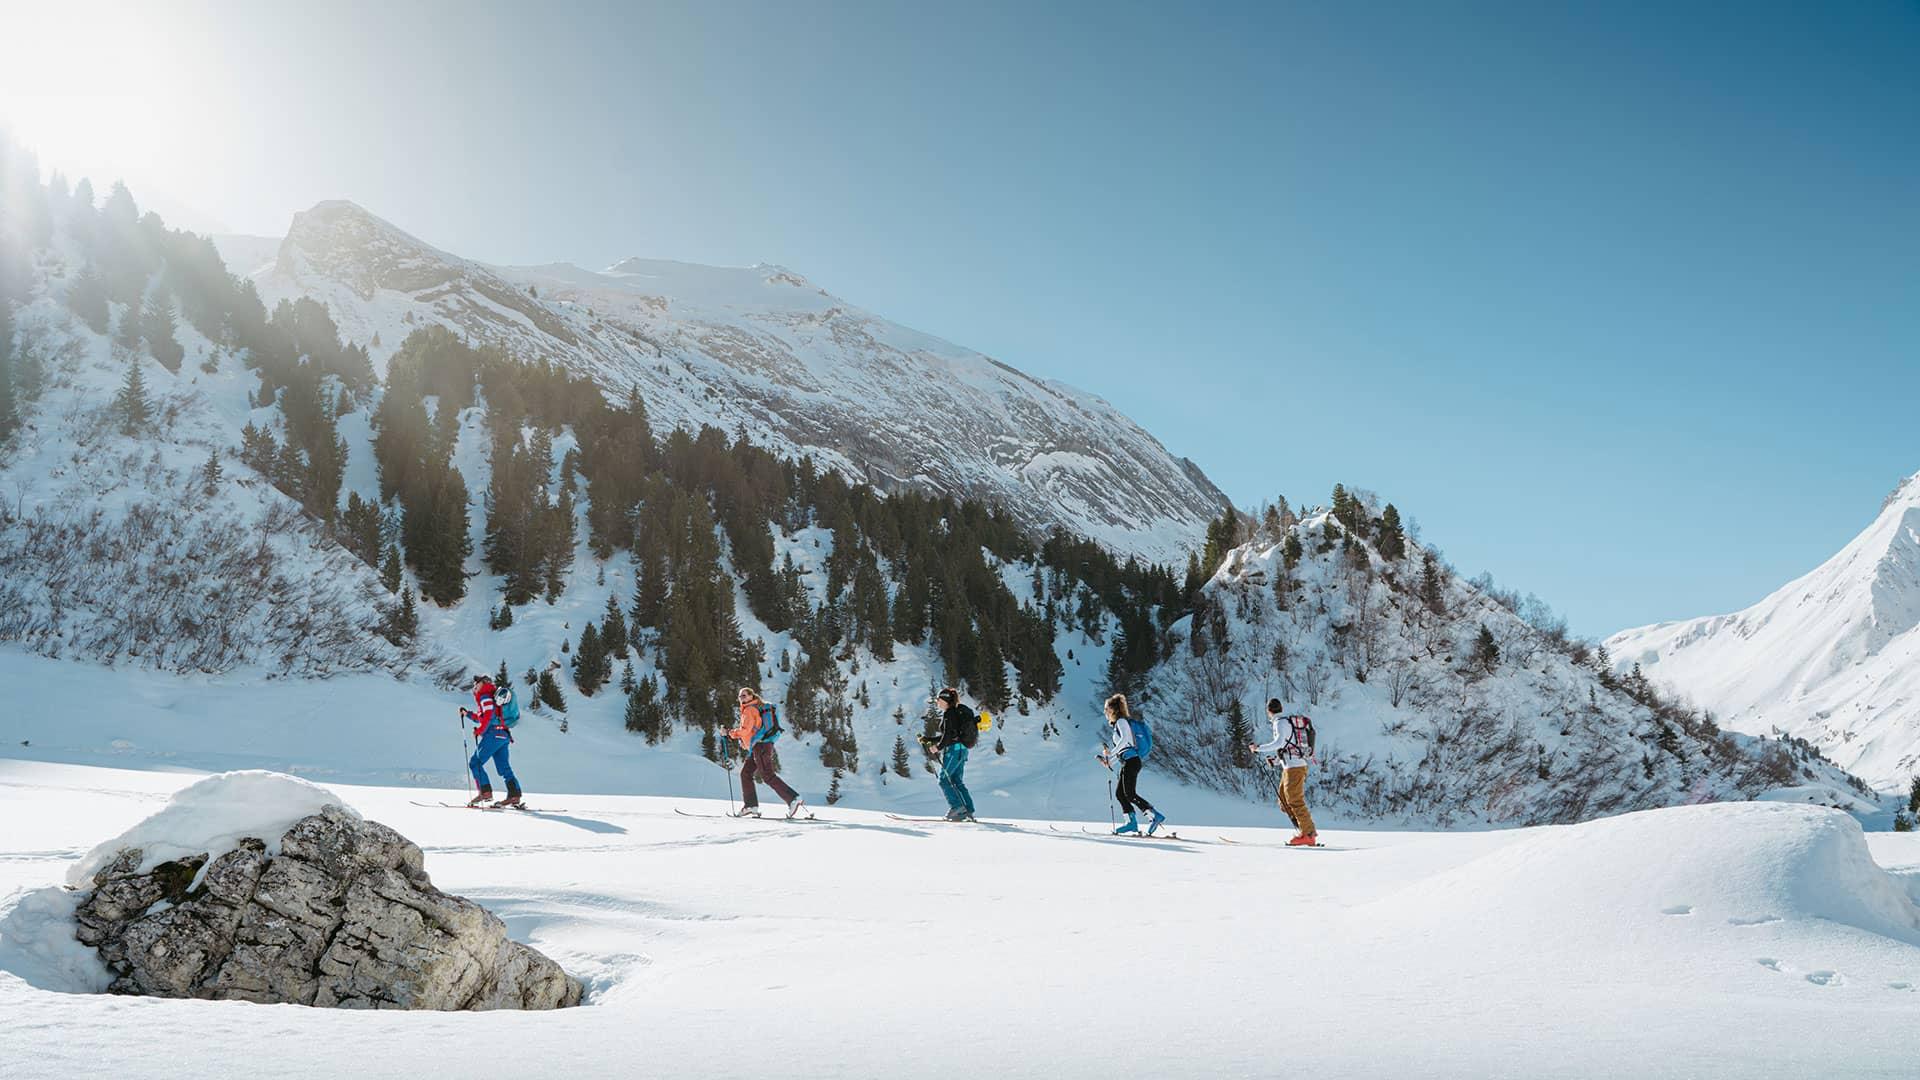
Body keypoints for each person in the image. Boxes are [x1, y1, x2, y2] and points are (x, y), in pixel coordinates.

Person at [728, 687, 808, 819]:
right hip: (758, 746)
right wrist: (746, 743)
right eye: (740, 696)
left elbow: (745, 729)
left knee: (767, 775)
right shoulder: (753, 709)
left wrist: (731, 733)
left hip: (761, 746)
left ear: (751, 696)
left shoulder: (749, 710)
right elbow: (754, 730)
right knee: (746, 773)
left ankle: (793, 798)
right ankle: (750, 805)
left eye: (744, 695)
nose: (742, 698)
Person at [1250, 698, 1318, 846]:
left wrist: (1258, 748)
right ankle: (1304, 830)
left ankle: (1308, 834)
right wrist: (1275, 760)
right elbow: (1287, 747)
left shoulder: (1280, 723)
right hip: (1290, 766)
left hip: (1295, 767)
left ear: (1269, 711)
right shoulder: (1284, 722)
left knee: (1294, 800)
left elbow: (1279, 743)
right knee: (1284, 802)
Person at [1099, 693, 1165, 835]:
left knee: (1129, 794)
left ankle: (1154, 816)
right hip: (1128, 761)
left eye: (1107, 709)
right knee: (1120, 794)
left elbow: (1126, 740)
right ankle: (1131, 823)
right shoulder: (1119, 724)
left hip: (1132, 762)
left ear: (1114, 710)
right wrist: (1109, 761)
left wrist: (1110, 754)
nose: (1105, 712)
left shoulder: (1121, 722)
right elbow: (1123, 749)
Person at [460, 673, 521, 807]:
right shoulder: (492, 698)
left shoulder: (485, 696)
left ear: (483, 683)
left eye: (477, 682)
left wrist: (479, 731)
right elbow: (483, 717)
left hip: (493, 734)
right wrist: (467, 714)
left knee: (475, 762)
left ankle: (485, 791)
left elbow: (487, 716)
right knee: (504, 768)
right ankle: (514, 795)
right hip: (503, 735)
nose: (475, 685)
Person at [927, 688, 978, 822]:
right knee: (956, 781)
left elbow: (948, 736)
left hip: (953, 751)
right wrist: (930, 740)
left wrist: (937, 747)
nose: (937, 702)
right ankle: (968, 809)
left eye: (939, 699)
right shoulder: (956, 712)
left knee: (943, 779)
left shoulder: (949, 713)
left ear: (944, 700)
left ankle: (956, 808)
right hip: (962, 749)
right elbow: (950, 734)